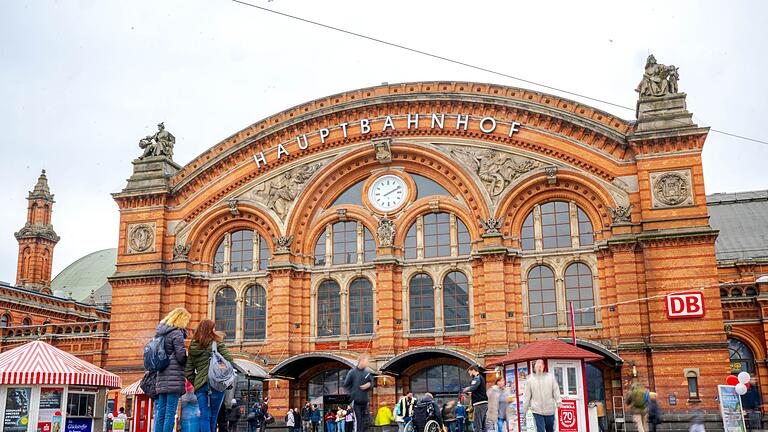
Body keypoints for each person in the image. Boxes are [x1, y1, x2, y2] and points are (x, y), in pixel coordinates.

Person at [184, 319, 235, 432]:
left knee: (204, 415)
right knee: (213, 415)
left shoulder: (193, 347)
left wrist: (197, 382)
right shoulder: (217, 342)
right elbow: (229, 360)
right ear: (211, 329)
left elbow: (188, 371)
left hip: (201, 387)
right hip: (216, 384)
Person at [152, 308, 191, 432]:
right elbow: (180, 356)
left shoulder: (160, 333)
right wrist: (187, 359)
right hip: (174, 377)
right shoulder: (177, 333)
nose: (187, 323)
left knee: (160, 412)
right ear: (181, 319)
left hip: (161, 375)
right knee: (170, 413)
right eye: (186, 320)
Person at [522, 360, 561, 432]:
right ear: (534, 367)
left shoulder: (550, 377)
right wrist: (525, 409)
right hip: (537, 410)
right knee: (540, 430)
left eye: (541, 365)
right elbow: (527, 395)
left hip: (550, 409)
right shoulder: (530, 379)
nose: (539, 367)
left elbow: (556, 390)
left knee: (550, 429)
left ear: (543, 366)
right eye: (537, 365)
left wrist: (558, 402)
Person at [342, 353, 375, 432]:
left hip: (365, 402)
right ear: (361, 361)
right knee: (358, 423)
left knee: (366, 423)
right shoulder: (352, 372)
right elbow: (346, 385)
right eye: (366, 361)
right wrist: (353, 394)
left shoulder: (367, 372)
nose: (367, 363)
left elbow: (372, 382)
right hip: (356, 402)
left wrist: (369, 384)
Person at [463, 365, 488, 432]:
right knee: (483, 426)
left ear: (473, 370)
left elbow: (473, 387)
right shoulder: (481, 378)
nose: (470, 374)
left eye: (470, 372)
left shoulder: (477, 378)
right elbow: (477, 390)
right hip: (483, 404)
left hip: (479, 404)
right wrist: (471, 393)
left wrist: (465, 389)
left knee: (478, 425)